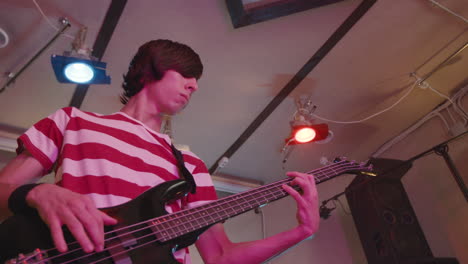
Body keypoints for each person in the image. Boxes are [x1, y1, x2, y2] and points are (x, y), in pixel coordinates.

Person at [0, 39, 319, 264]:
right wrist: (37, 195)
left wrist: (302, 232)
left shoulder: (192, 167)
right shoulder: (73, 121)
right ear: (150, 70)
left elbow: (220, 256)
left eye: (196, 81)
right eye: (186, 75)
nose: (194, 86)